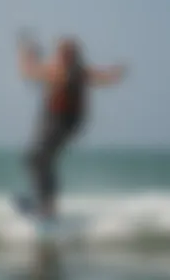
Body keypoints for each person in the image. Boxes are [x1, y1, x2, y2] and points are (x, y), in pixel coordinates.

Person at [17, 32, 127, 223]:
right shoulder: (55, 69)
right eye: (63, 52)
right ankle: (44, 202)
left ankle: (48, 205)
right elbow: (29, 72)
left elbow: (101, 78)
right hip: (51, 119)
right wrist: (27, 54)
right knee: (35, 159)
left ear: (75, 54)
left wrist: (115, 74)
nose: (66, 56)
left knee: (41, 157)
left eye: (70, 53)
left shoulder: (78, 71)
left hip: (68, 122)